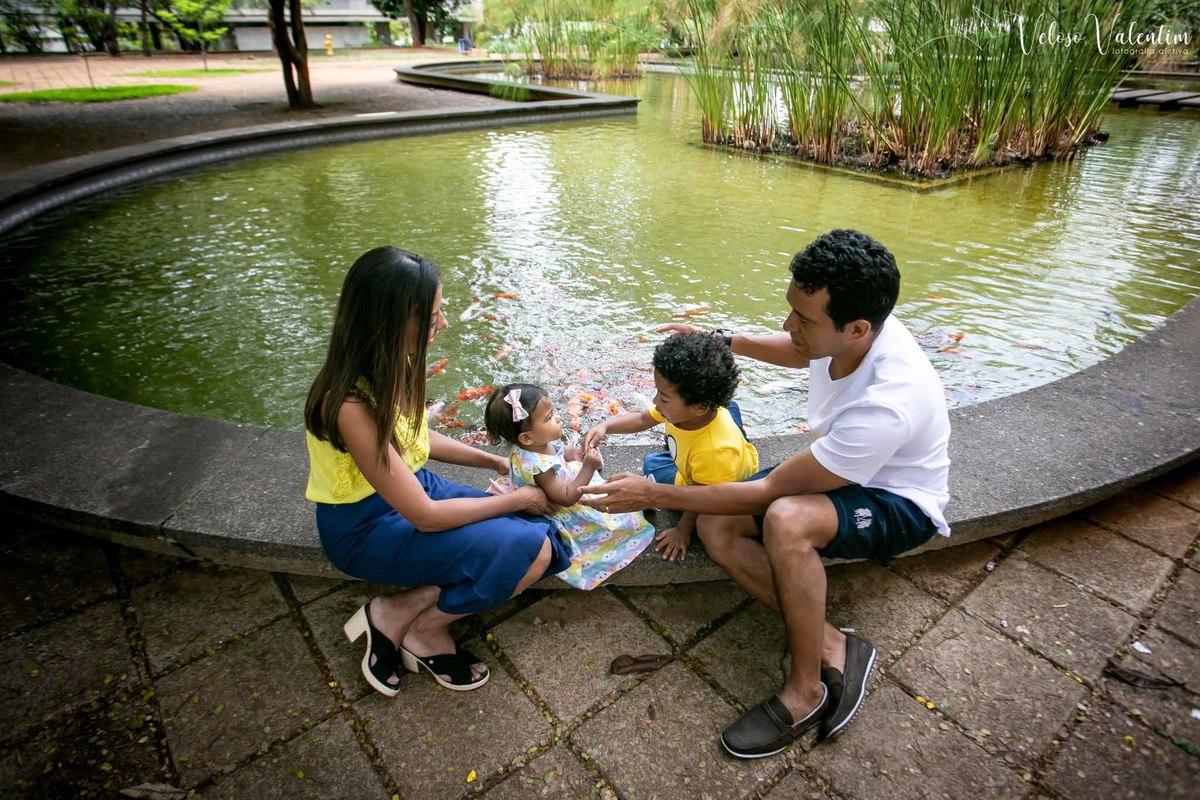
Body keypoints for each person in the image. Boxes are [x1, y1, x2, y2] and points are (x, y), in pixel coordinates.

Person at [581, 229, 951, 758]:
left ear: (857, 328)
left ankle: (807, 691)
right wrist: (719, 339)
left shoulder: (889, 402)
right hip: (843, 471)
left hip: (896, 501)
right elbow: (803, 352)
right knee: (715, 525)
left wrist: (653, 492)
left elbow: (773, 492)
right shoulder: (855, 328)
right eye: (791, 310)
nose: (787, 326)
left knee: (785, 519)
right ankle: (832, 642)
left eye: (804, 319)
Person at [304, 247, 572, 697]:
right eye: (431, 318)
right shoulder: (348, 403)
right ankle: (422, 627)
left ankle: (400, 609)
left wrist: (495, 461)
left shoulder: (397, 365)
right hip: (365, 525)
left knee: (535, 530)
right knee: (532, 548)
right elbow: (425, 516)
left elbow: (416, 441)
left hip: (411, 492)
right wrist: (520, 496)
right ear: (388, 322)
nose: (442, 324)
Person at [581, 331, 760, 561]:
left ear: (699, 406)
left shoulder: (715, 451)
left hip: (718, 484)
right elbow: (643, 418)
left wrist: (682, 530)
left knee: (661, 474)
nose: (655, 401)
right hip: (700, 459)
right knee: (651, 463)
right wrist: (606, 426)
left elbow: (700, 498)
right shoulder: (683, 410)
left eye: (663, 398)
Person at [484, 383, 656, 589]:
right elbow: (566, 497)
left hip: (556, 486)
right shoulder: (540, 467)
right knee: (617, 519)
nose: (558, 418)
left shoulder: (531, 445)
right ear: (527, 437)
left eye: (553, 412)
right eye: (549, 418)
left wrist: (576, 453)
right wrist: (588, 468)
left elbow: (557, 451)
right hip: (562, 505)